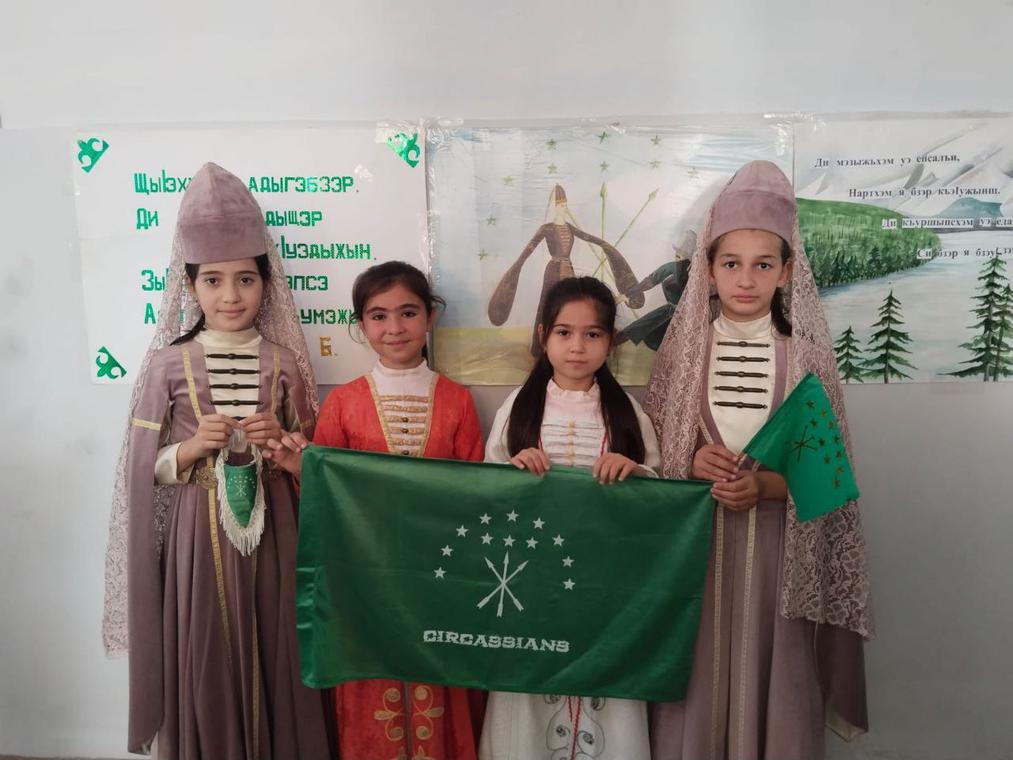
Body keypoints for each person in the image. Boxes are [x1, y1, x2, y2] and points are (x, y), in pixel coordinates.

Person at [102, 162, 334, 759]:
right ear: (191, 287)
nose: (230, 296)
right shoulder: (166, 366)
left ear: (266, 284)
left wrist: (284, 444)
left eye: (245, 280)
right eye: (213, 280)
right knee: (205, 637)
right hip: (196, 533)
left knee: (275, 633)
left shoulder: (284, 362)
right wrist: (188, 449)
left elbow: (315, 463)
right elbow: (141, 470)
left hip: (275, 529)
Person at [643, 160, 872, 759]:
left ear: (787, 271)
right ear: (709, 269)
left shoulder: (806, 361)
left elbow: (827, 480)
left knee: (778, 678)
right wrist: (689, 464)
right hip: (696, 554)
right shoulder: (679, 359)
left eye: (763, 265)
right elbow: (650, 461)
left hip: (779, 556)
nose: (746, 280)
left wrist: (765, 487)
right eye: (731, 263)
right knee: (695, 678)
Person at [265, 260, 486, 760]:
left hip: (439, 577)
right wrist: (301, 468)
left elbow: (475, 494)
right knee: (370, 693)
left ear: (430, 316)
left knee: (440, 685)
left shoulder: (457, 401)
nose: (394, 328)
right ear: (360, 325)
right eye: (378, 316)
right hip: (364, 580)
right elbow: (328, 495)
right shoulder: (343, 403)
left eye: (408, 312)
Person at [479, 275, 660, 760]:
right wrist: (513, 473)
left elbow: (661, 504)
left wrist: (635, 472)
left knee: (607, 689)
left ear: (610, 341)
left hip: (607, 582)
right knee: (530, 690)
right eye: (564, 332)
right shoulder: (517, 408)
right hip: (532, 580)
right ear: (544, 336)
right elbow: (485, 494)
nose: (577, 347)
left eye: (592, 334)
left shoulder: (629, 414)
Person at [487, 184, 645, 356]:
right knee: (547, 306)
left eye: (565, 205)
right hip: (553, 270)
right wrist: (518, 265)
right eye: (561, 205)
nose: (564, 208)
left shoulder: (569, 227)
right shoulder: (546, 228)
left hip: (568, 269)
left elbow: (587, 237)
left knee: (572, 305)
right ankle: (539, 348)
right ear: (555, 206)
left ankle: (568, 344)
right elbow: (528, 250)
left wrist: (604, 245)